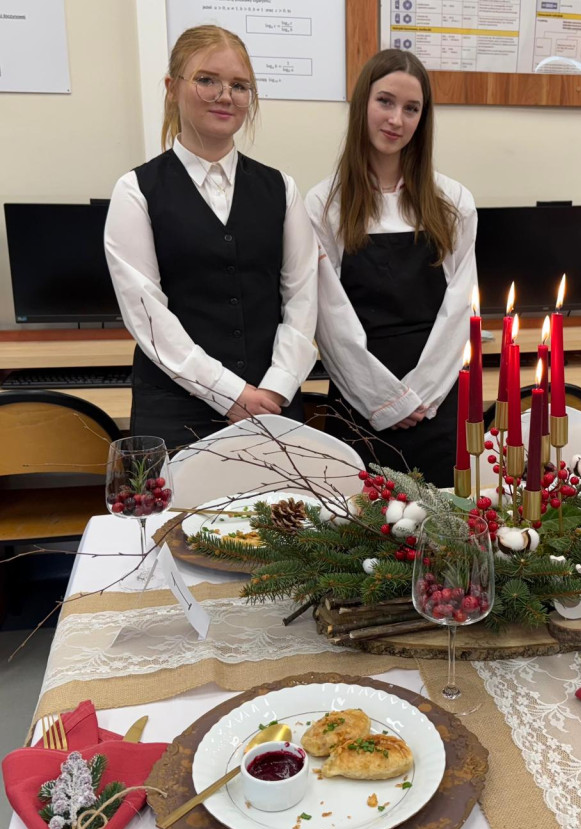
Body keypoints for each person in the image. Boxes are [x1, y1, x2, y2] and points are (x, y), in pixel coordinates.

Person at [105, 25, 318, 452]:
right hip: (176, 411)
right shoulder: (136, 191)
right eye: (207, 80)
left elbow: (302, 298)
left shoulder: (282, 189)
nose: (225, 95)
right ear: (172, 87)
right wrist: (230, 393)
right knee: (178, 521)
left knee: (280, 519)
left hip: (272, 404)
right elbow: (149, 319)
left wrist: (275, 388)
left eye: (239, 86)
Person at [306, 49, 477, 486]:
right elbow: (329, 317)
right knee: (356, 540)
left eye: (411, 108)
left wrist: (421, 395)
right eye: (385, 101)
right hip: (360, 401)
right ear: (363, 102)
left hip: (435, 403)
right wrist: (383, 399)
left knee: (443, 539)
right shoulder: (324, 204)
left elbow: (460, 307)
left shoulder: (453, 201)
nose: (396, 119)